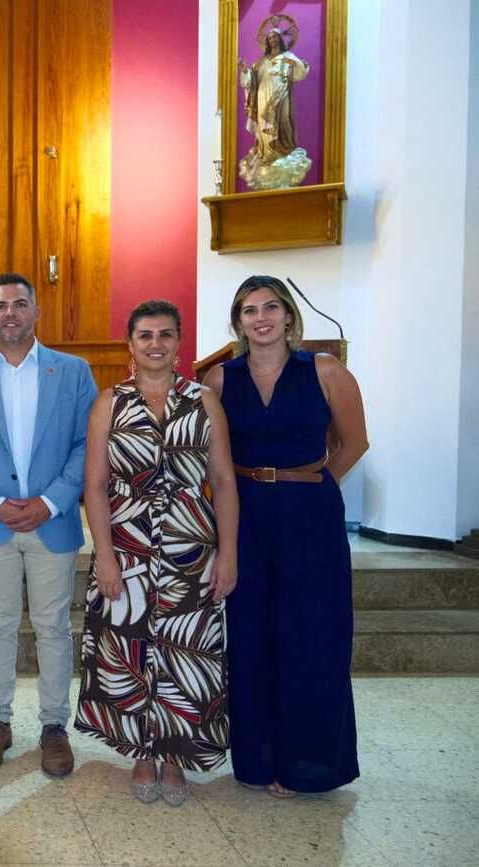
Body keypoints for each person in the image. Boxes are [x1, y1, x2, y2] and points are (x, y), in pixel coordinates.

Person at [203, 275, 367, 797]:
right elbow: (209, 458)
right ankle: (258, 761)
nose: (261, 318)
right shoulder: (219, 380)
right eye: (249, 310)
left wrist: (311, 485)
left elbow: (354, 443)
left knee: (314, 636)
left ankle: (309, 765)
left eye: (271, 307)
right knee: (252, 637)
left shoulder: (324, 370)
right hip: (246, 515)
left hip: (310, 517)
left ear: (290, 317)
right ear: (238, 322)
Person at [74, 300, 239, 805]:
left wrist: (229, 554)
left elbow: (225, 482)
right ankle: (143, 755)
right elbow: (96, 486)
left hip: (191, 546)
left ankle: (175, 756)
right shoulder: (110, 403)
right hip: (127, 546)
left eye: (165, 335)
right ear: (130, 344)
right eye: (144, 335)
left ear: (178, 342)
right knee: (130, 649)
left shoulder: (204, 401)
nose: (155, 344)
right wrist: (104, 555)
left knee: (184, 650)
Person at [0, 273, 96, 777]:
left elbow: (87, 444)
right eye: (1, 305)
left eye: (20, 303)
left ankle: (54, 727)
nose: (10, 313)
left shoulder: (72, 372)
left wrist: (50, 502)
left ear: (35, 312)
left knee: (53, 625)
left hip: (53, 521)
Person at [238, 27, 311, 189]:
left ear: (280, 39)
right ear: (267, 41)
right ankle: (267, 155)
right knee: (264, 126)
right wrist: (244, 71)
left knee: (283, 120)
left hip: (281, 94)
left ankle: (283, 151)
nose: (272, 40)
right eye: (269, 38)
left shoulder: (287, 56)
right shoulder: (261, 62)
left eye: (275, 37)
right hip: (263, 96)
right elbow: (250, 81)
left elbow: (300, 73)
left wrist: (294, 63)